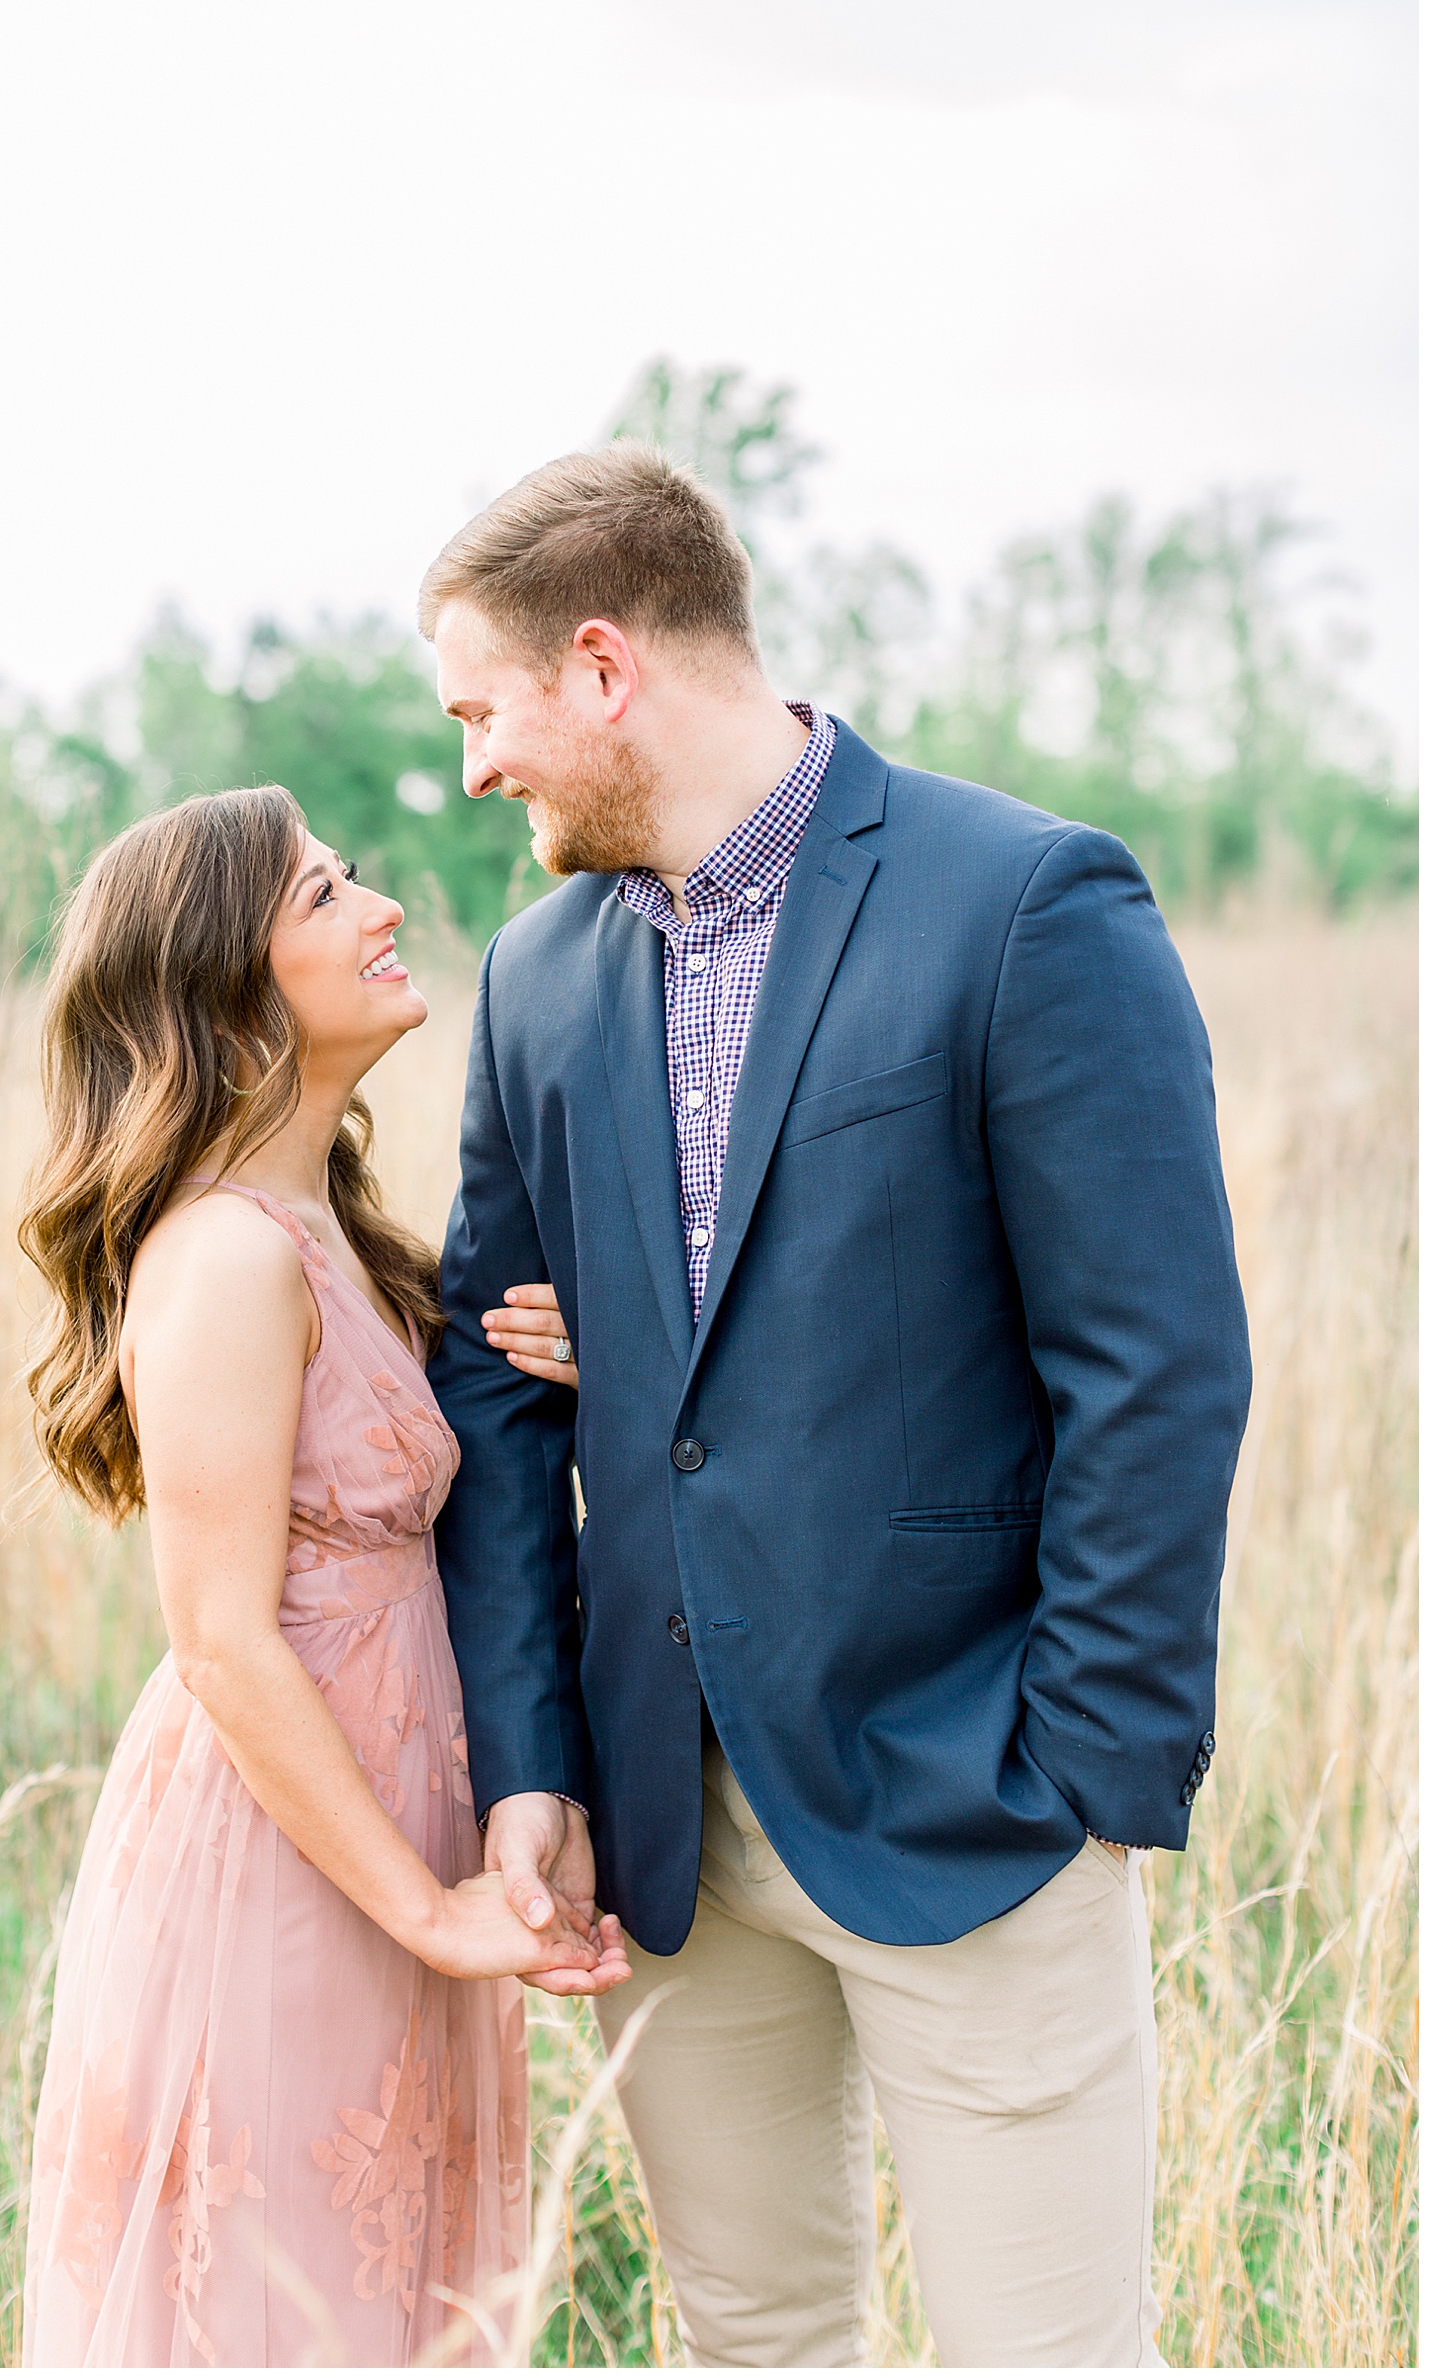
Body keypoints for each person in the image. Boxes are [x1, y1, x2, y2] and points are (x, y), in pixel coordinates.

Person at [420, 444, 1253, 2368]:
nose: (473, 767)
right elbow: (499, 1380)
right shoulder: (535, 978)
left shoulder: (1024, 901)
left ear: (604, 664)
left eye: (483, 709)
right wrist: (535, 1763)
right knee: (754, 2343)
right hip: (662, 1826)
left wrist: (1087, 1768)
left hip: (976, 1800)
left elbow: (1155, 1365)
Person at [16, 787, 628, 2370]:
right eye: (323, 895)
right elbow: (220, 1638)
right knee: (286, 2316)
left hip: (377, 1842)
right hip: (285, 1868)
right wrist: (426, 1910)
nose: (379, 911)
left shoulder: (329, 1231)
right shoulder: (223, 1256)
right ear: (228, 992)